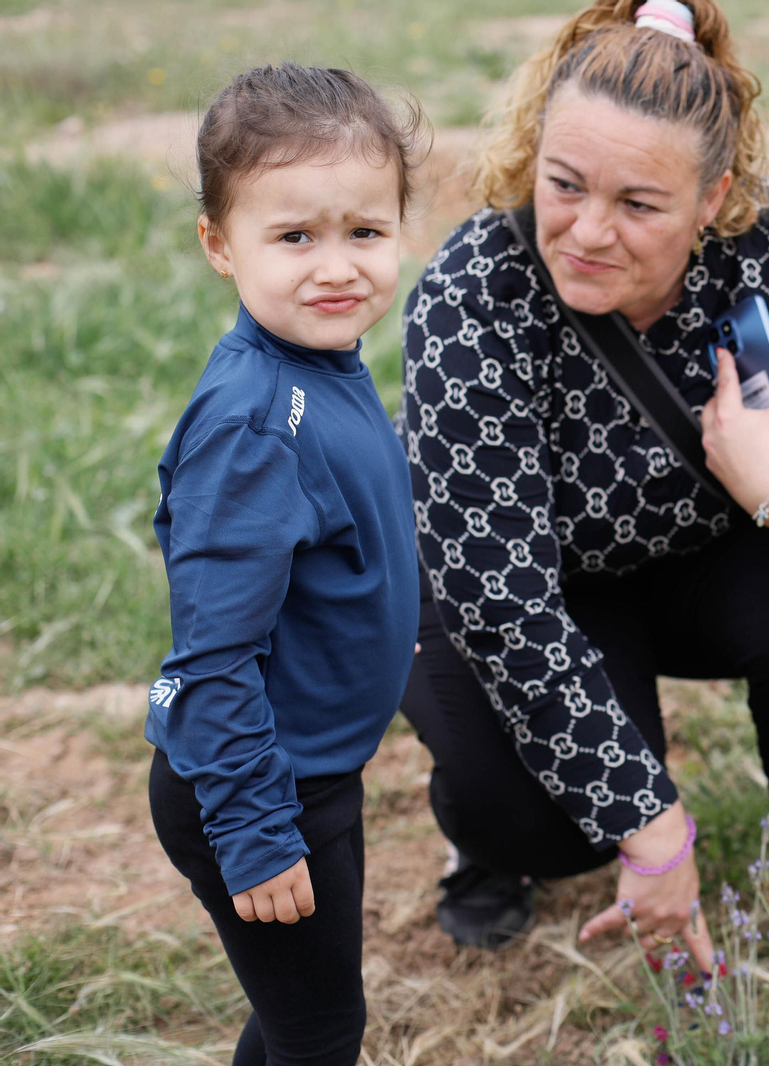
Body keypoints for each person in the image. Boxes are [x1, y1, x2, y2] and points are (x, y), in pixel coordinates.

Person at [397, 0, 769, 1020]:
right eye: (564, 184)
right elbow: (503, 607)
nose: (588, 231)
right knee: (543, 820)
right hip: (536, 589)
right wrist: (651, 825)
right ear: (535, 154)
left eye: (639, 203)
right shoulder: (472, 294)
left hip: (717, 556)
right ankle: (485, 839)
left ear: (713, 196)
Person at [144, 64, 426, 1066]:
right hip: (259, 784)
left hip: (309, 773)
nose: (336, 267)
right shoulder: (257, 425)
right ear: (220, 244)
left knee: (299, 1013)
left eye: (366, 231)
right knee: (321, 1029)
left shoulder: (319, 365)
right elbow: (213, 652)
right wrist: (256, 830)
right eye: (294, 236)